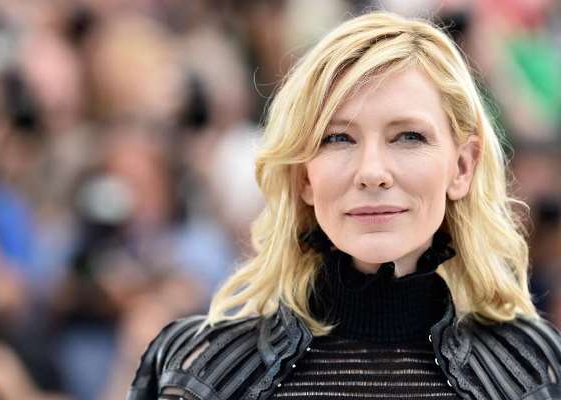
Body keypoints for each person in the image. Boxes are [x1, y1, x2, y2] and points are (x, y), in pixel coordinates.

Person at [127, 11, 561, 400]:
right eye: (338, 138)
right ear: (303, 176)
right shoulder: (202, 371)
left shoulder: (533, 371)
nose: (372, 172)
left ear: (462, 166)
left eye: (408, 136)